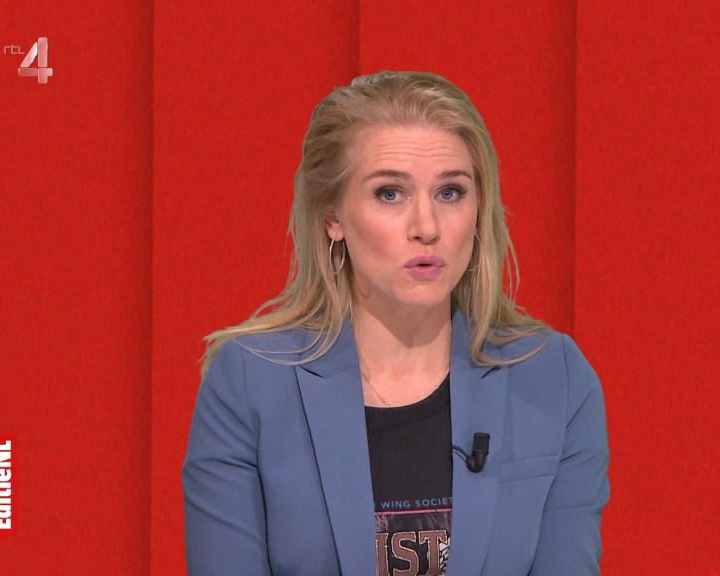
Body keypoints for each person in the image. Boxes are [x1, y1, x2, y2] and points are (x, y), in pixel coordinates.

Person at [182, 70, 609, 576]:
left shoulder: (554, 379)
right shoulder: (249, 385)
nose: (426, 227)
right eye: (390, 193)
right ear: (333, 217)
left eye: (450, 192)